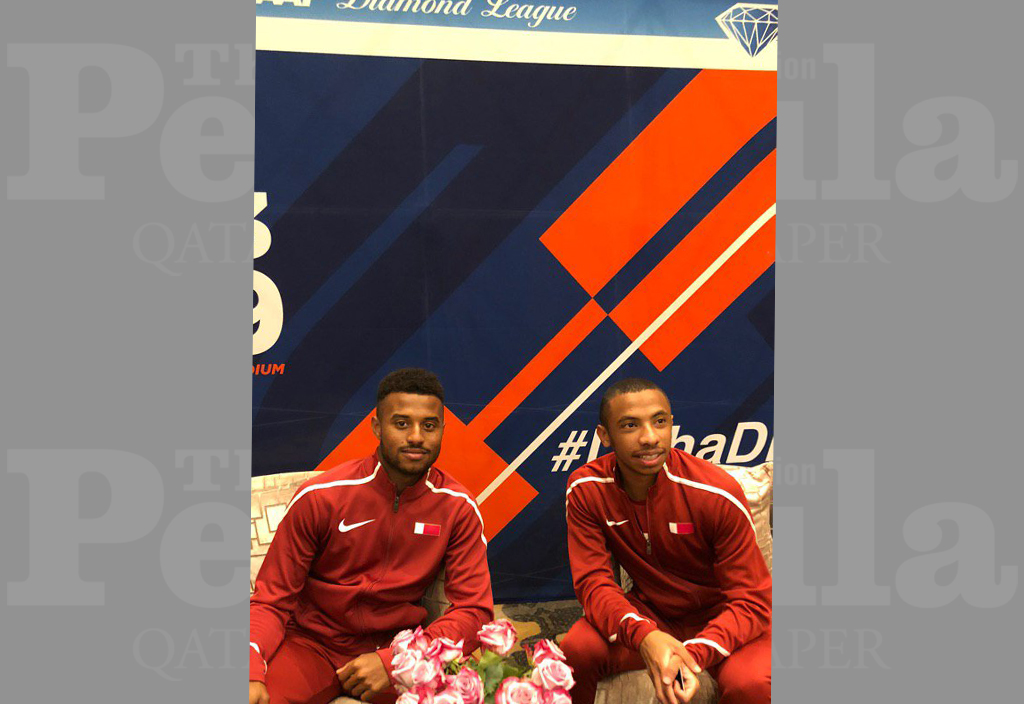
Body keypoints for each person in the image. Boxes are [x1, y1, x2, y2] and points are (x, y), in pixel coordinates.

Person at [249, 368, 494, 704]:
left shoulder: (458, 508)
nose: (417, 437)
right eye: (402, 423)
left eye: (429, 425)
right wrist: (249, 669)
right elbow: (270, 600)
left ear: (442, 430)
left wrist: (395, 660)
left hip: (399, 650)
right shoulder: (322, 497)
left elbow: (475, 612)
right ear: (378, 427)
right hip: (311, 646)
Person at [561, 378, 771, 704]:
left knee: (750, 684)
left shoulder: (716, 492)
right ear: (605, 436)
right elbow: (593, 584)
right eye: (630, 425)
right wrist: (646, 636)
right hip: (653, 613)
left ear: (671, 424)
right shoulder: (587, 489)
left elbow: (753, 602)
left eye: (660, 422)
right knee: (578, 649)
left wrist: (693, 655)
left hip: (726, 616)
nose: (649, 437)